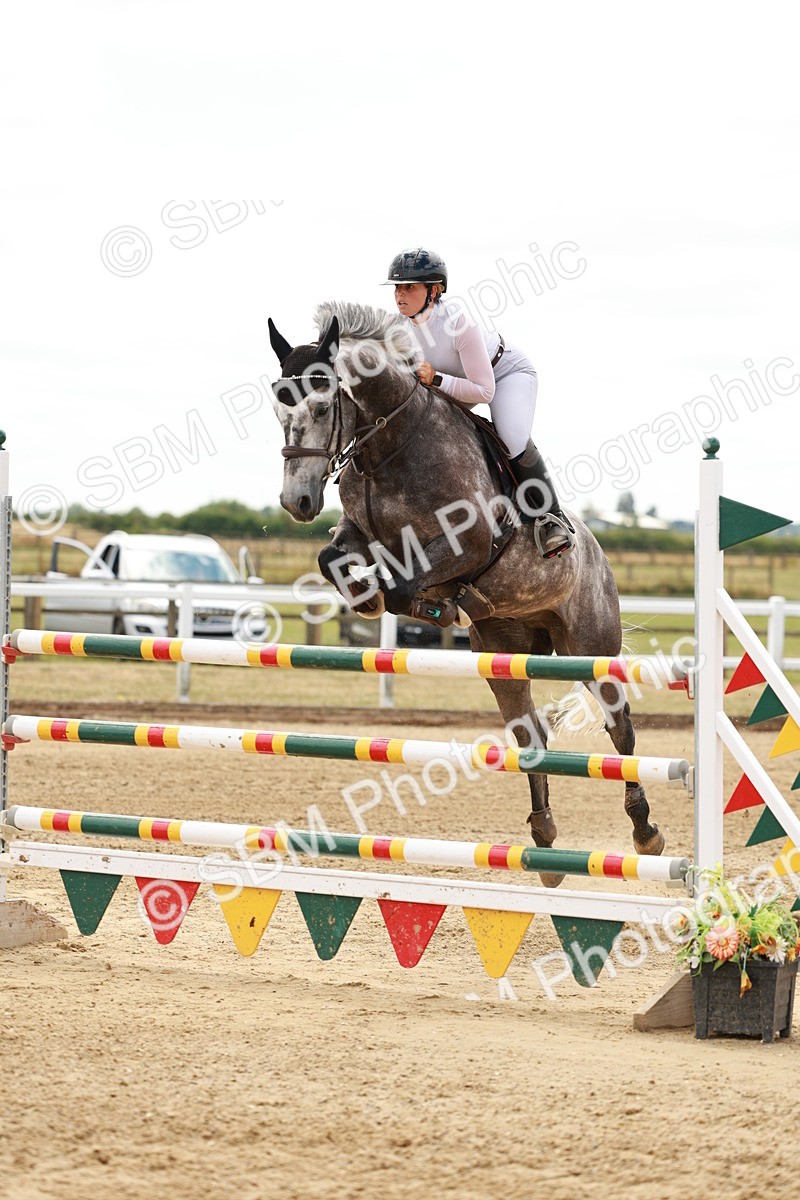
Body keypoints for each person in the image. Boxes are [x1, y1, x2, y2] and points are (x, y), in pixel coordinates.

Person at [382, 247, 575, 558]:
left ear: (435, 291)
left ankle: (551, 519)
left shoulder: (459, 324)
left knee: (511, 438)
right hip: (453, 385)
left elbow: (485, 391)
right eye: (397, 287)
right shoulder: (395, 328)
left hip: (505, 374)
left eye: (410, 287)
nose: (400, 294)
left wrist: (437, 380)